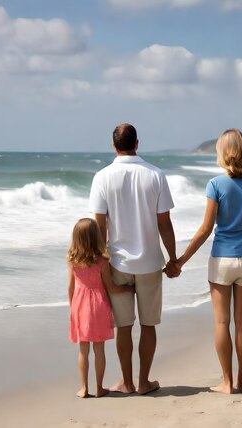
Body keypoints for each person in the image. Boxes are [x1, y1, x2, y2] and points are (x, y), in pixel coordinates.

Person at [171, 128, 242, 394]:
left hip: (222, 258)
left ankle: (226, 382)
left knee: (222, 323)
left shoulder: (216, 184)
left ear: (223, 152)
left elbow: (205, 229)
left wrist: (180, 261)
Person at [89, 123, 177, 395]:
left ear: (113, 146)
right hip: (150, 262)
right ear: (137, 143)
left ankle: (126, 382)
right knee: (148, 324)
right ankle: (143, 382)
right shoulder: (155, 174)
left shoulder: (102, 177)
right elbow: (165, 223)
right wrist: (173, 259)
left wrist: (100, 261)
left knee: (124, 326)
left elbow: (99, 226)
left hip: (117, 263)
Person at [67, 218, 135, 398]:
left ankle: (84, 388)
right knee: (99, 350)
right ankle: (99, 388)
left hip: (79, 306)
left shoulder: (73, 261)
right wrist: (128, 288)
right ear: (96, 237)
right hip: (98, 306)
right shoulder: (102, 262)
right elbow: (111, 287)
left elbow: (71, 288)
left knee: (83, 350)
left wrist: (72, 309)